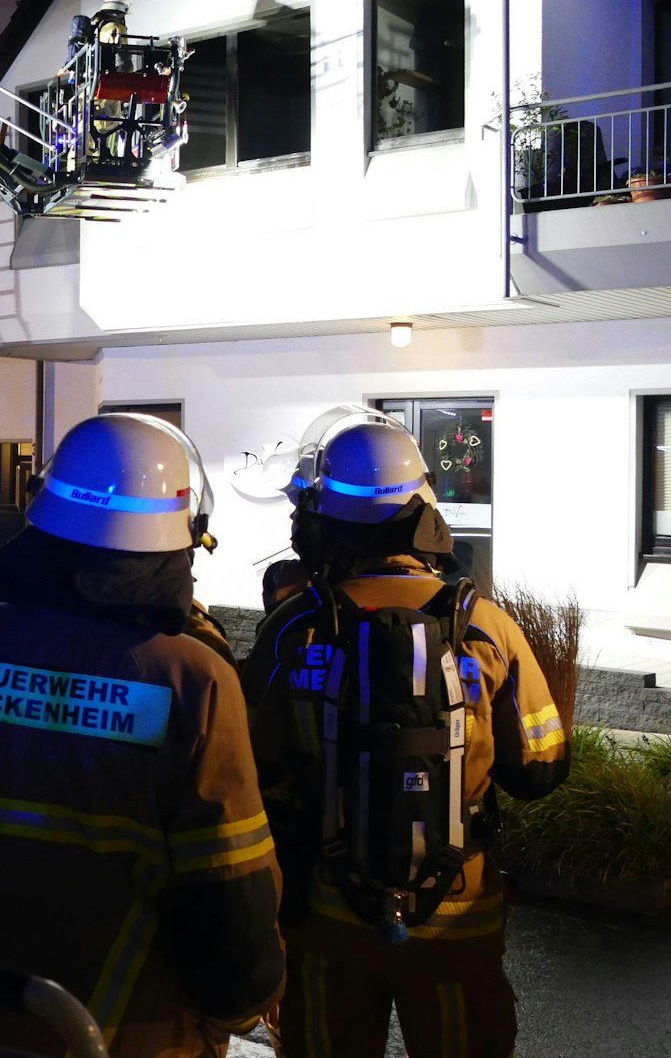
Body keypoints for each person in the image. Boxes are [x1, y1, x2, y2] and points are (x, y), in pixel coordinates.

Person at [0, 413, 283, 1057]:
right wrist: (246, 1000)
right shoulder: (194, 679)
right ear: (182, 534)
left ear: (43, 515)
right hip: (139, 1037)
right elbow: (227, 892)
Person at [239, 408, 570, 1058]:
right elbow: (540, 766)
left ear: (323, 518)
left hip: (328, 919)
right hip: (458, 924)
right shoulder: (486, 627)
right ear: (425, 511)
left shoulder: (291, 629)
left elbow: (252, 767)